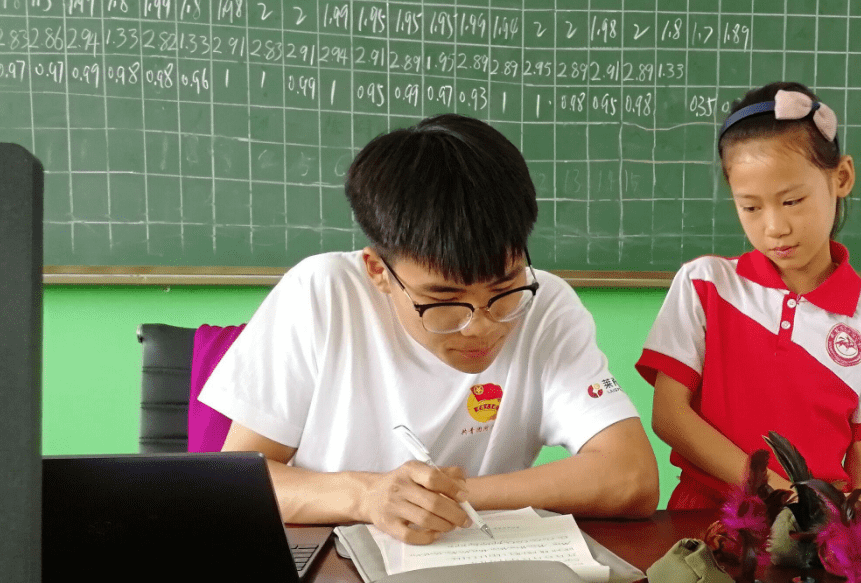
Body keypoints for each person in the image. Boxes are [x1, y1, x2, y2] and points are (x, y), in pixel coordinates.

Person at [200, 114, 659, 543]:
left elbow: (632, 478)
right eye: (444, 302)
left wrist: (446, 498)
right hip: (332, 574)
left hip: (475, 572)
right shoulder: (322, 293)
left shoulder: (546, 303)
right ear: (378, 271)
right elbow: (238, 485)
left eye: (503, 288)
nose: (480, 327)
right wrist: (368, 496)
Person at [637, 81, 861, 509]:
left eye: (792, 201)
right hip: (704, 513)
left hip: (813, 529)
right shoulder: (705, 284)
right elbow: (670, 416)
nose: (774, 227)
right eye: (750, 207)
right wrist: (780, 494)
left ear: (841, 177)